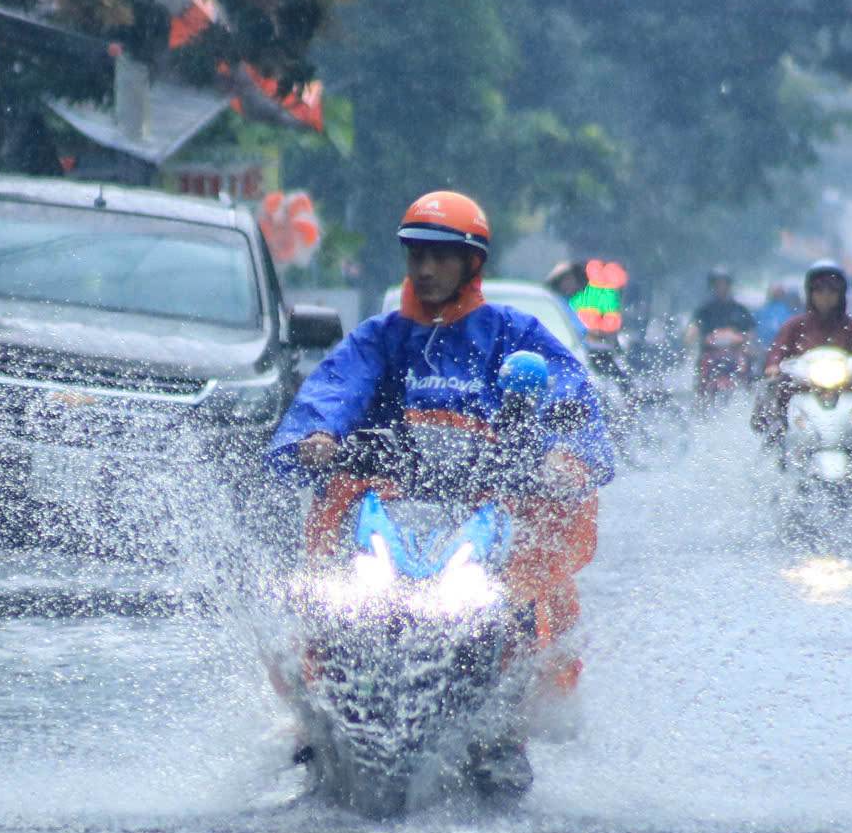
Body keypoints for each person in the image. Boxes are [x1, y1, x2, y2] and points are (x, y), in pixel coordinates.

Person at [264, 190, 616, 785]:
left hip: (488, 508)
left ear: (472, 264)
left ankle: (507, 727)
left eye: (443, 257)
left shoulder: (514, 332)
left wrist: (562, 454)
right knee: (325, 594)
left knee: (526, 597)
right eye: (416, 255)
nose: (426, 269)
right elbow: (333, 390)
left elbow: (569, 398)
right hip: (389, 508)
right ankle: (318, 715)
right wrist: (317, 435)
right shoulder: (380, 337)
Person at [751, 259, 852, 457]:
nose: (826, 297)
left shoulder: (850, 326)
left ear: (841, 294)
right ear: (810, 293)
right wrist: (773, 367)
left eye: (832, 291)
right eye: (819, 290)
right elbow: (777, 351)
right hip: (803, 387)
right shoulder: (795, 325)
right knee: (776, 394)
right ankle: (775, 451)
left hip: (845, 389)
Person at [755, 282, 799, 350]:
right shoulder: (763, 310)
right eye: (775, 291)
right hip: (767, 344)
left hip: (785, 343)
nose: (777, 293)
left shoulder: (790, 307)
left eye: (779, 290)